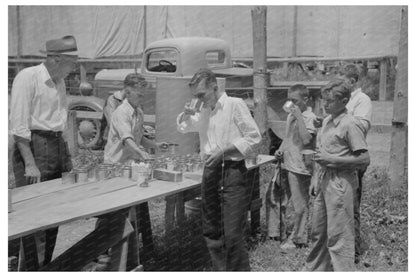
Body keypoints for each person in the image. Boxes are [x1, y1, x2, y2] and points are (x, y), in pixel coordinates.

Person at [176, 68, 261, 271]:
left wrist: (225, 150)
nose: (199, 99)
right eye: (195, 96)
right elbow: (183, 127)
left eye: (201, 95)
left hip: (232, 171)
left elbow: (254, 137)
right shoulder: (204, 109)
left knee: (232, 234)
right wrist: (186, 114)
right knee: (212, 230)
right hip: (211, 172)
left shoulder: (234, 105)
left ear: (214, 88)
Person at [9, 35, 78, 269]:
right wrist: (29, 163)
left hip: (57, 147)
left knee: (54, 211)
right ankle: (23, 267)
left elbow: (60, 124)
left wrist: (68, 158)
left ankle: (45, 267)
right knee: (32, 212)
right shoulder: (28, 78)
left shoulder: (59, 81)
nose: (75, 68)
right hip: (35, 148)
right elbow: (18, 127)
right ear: (57, 59)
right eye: (72, 62)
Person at [305, 78, 370, 271]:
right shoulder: (326, 122)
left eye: (329, 101)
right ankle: (316, 270)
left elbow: (364, 159)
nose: (324, 104)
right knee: (318, 231)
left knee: (339, 234)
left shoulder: (350, 123)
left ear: (344, 102)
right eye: (323, 100)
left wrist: (334, 160)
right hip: (324, 179)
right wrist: (315, 179)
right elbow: (321, 153)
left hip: (341, 182)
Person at [275, 84, 317, 249]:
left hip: (300, 166)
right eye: (289, 100)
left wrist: (299, 117)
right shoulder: (291, 116)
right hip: (288, 163)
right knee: (282, 200)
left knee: (300, 205)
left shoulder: (309, 117)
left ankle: (298, 239)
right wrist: (280, 149)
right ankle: (280, 233)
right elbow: (288, 137)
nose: (291, 104)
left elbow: (307, 140)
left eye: (295, 100)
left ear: (305, 99)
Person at [340, 63, 372, 263]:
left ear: (352, 81)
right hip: (340, 157)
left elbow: (360, 126)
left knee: (352, 205)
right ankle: (339, 246)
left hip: (354, 158)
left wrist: (339, 119)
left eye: (342, 79)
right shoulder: (343, 99)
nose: (339, 83)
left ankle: (354, 252)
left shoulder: (362, 100)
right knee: (339, 203)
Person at [104, 73, 167, 163]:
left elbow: (139, 138)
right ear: (127, 93)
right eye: (139, 95)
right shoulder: (122, 112)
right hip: (115, 163)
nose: (142, 99)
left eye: (143, 95)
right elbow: (127, 139)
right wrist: (140, 152)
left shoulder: (139, 112)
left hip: (129, 162)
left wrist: (155, 145)